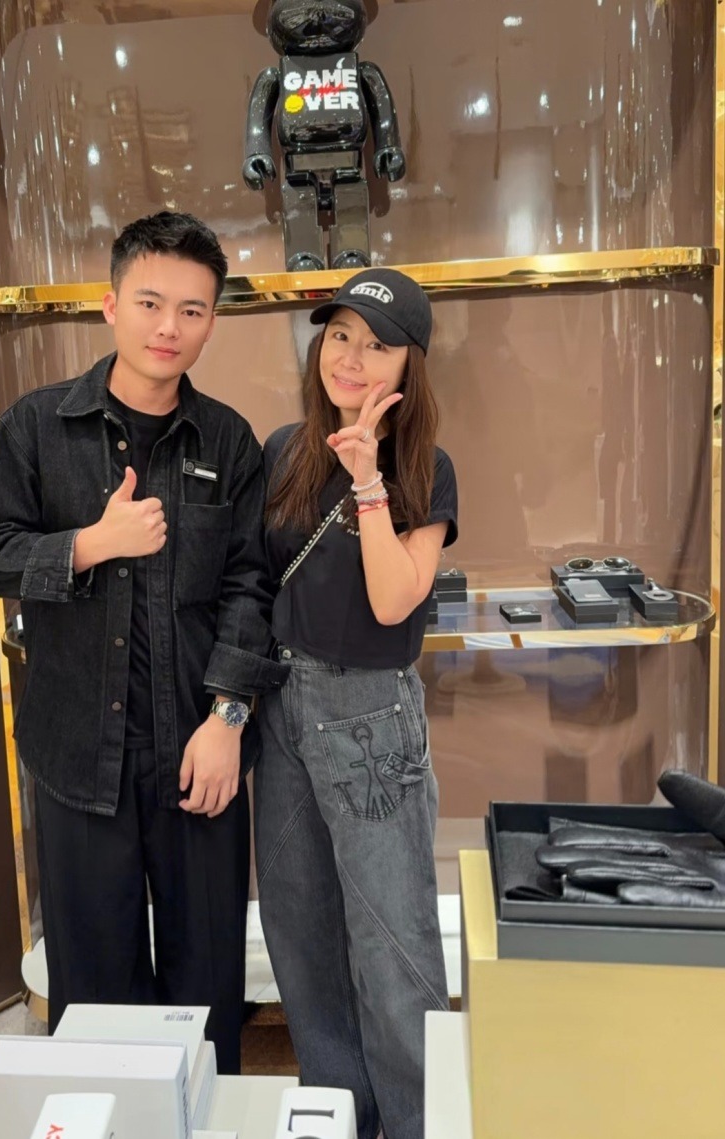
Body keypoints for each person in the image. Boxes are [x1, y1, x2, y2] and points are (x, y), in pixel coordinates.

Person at [0, 211, 286, 1072]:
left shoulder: (229, 440)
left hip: (197, 753)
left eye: (192, 309)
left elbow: (251, 584)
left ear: (211, 322)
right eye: (149, 302)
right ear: (111, 305)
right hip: (76, 752)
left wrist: (228, 717)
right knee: (95, 993)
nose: (168, 326)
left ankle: (204, 1118)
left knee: (206, 984)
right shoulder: (37, 427)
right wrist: (88, 544)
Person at [255, 268, 458, 1139]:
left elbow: (392, 599)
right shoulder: (283, 450)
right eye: (339, 335)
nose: (351, 356)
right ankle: (342, 1112)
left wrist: (369, 480)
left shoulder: (426, 468)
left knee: (392, 936)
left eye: (377, 345)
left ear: (410, 365)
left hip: (371, 714)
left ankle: (417, 1123)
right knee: (299, 927)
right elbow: (257, 582)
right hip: (283, 707)